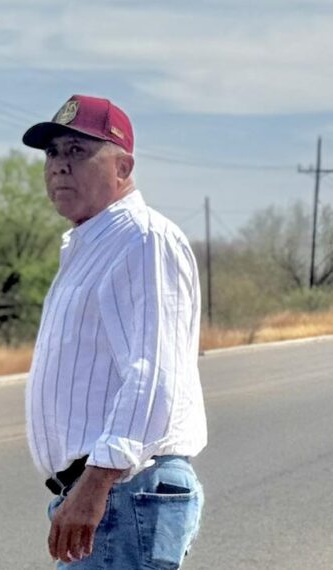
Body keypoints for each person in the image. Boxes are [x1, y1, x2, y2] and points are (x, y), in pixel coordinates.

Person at [21, 95, 208, 568]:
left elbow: (153, 375)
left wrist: (95, 484)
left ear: (123, 166)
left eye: (78, 151)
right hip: (106, 495)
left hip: (123, 491)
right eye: (53, 153)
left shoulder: (142, 239)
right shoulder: (93, 244)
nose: (60, 166)